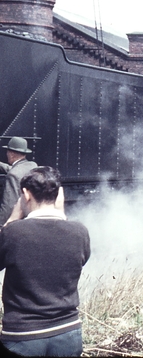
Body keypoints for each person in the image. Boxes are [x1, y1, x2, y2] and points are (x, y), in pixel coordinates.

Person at [0, 167, 90, 356]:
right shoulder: (80, 232)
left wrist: (12, 219)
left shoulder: (12, 233)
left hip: (23, 335)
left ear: (25, 194)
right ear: (59, 196)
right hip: (68, 331)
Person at [0, 137, 38, 226]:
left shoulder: (13, 175)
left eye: (8, 152)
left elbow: (8, 206)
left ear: (11, 154)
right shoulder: (32, 165)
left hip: (17, 221)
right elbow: (13, 169)